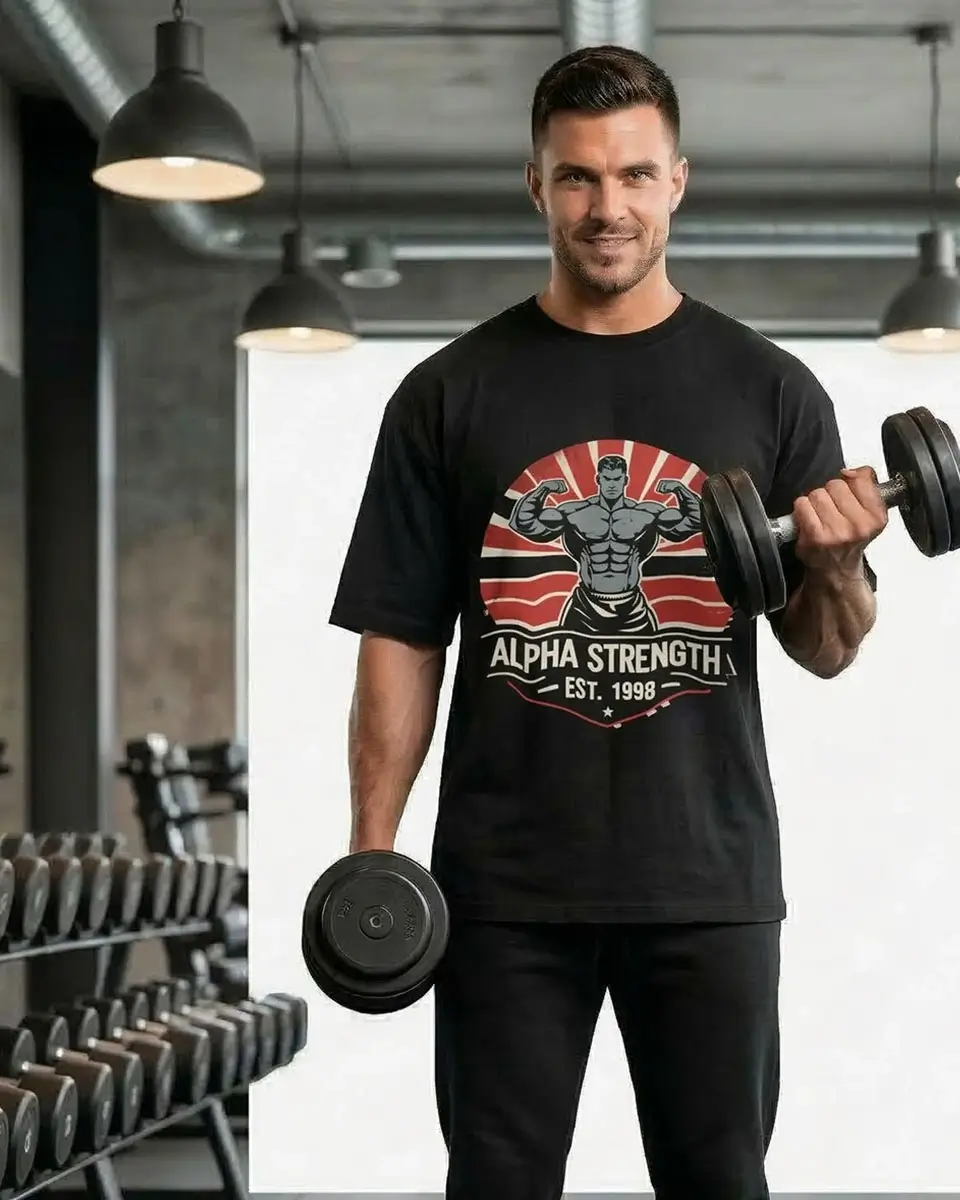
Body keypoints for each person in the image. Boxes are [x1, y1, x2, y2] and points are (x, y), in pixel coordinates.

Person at [329, 44, 885, 1200]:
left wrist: (831, 564)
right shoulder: (446, 395)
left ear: (678, 180)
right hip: (502, 886)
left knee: (719, 1178)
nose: (607, 207)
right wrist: (373, 852)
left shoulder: (772, 391)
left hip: (708, 874)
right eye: (578, 178)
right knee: (497, 1179)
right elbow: (402, 634)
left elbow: (827, 649)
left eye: (634, 176)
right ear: (536, 185)